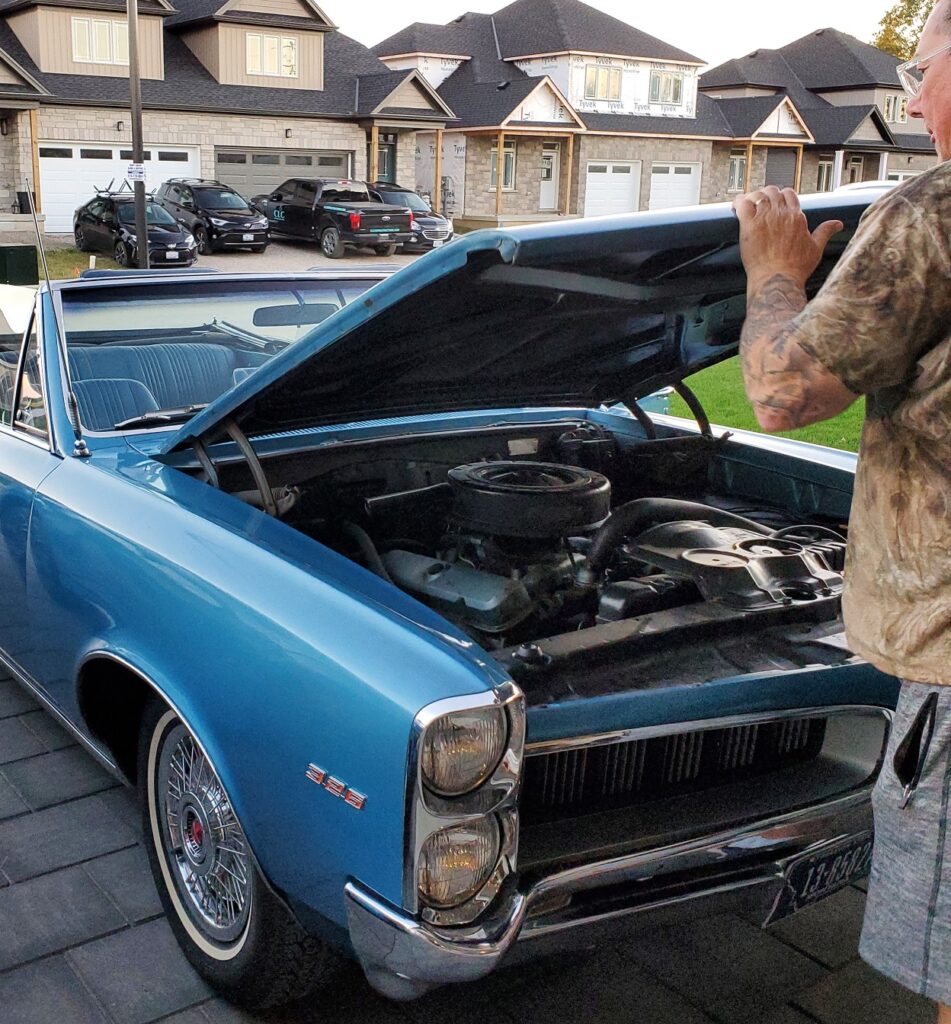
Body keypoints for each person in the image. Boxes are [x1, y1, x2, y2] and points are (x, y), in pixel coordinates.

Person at [733, 1, 951, 1018]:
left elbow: (780, 393)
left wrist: (776, 278)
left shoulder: (931, 215)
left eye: (925, 62)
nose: (908, 90)